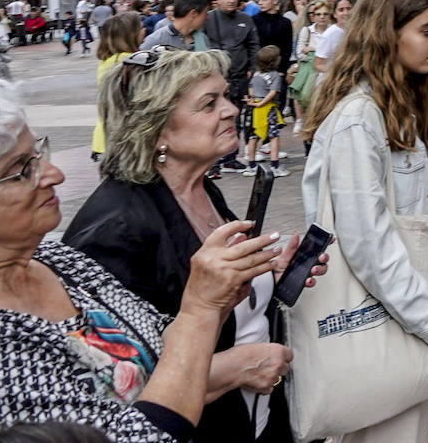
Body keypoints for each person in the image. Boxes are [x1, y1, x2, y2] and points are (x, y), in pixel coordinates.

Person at [0, 78, 288, 440]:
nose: (54, 174)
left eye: (39, 154)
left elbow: (161, 344)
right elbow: (136, 435)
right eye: (21, 169)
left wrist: (227, 287)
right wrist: (202, 306)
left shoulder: (55, 260)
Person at [64, 48, 329, 442]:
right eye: (209, 103)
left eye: (225, 96)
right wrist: (231, 368)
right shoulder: (114, 231)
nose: (229, 109)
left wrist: (268, 276)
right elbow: (114, 385)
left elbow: (221, 300)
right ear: (156, 131)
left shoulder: (199, 187)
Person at [301, 0, 428, 443]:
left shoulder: (395, 108)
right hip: (378, 319)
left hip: (396, 316)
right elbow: (368, 244)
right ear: (388, 34)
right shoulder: (359, 118)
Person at [205, 0, 260, 176]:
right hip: (216, 79)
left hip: (240, 77)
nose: (231, 0)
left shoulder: (245, 19)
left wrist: (252, 68)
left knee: (236, 118)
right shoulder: (208, 19)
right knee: (213, 119)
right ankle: (213, 161)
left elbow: (254, 45)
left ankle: (230, 158)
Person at [91, 12, 145, 163]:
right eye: (140, 28)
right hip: (123, 139)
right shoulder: (128, 62)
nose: (144, 30)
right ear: (129, 35)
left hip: (105, 136)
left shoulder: (108, 60)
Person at [289, 0, 330, 135]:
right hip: (310, 72)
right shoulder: (307, 31)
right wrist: (313, 57)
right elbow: (300, 52)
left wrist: (313, 49)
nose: (322, 17)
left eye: (325, 14)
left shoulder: (332, 31)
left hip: (327, 73)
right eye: (318, 14)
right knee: (306, 101)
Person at [245, 47, 287, 178]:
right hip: (268, 109)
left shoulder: (256, 75)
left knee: (253, 137)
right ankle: (275, 166)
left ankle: (251, 166)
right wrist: (263, 103)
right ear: (275, 61)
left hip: (255, 109)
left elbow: (251, 88)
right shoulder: (275, 76)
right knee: (274, 137)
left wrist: (253, 100)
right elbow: (273, 92)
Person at [141, 0, 211, 52]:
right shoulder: (156, 40)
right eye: (205, 13)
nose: (207, 17)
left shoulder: (203, 38)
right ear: (193, 13)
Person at [251, 0, 293, 76]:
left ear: (274, 1)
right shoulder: (254, 20)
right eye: (259, 0)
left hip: (278, 68)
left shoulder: (285, 22)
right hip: (258, 68)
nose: (260, 3)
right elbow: (251, 44)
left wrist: (282, 69)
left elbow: (287, 47)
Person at [311, 0, 354, 74]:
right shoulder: (330, 33)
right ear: (334, 14)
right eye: (341, 10)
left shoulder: (356, 30)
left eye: (349, 9)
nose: (346, 13)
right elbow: (318, 64)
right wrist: (337, 73)